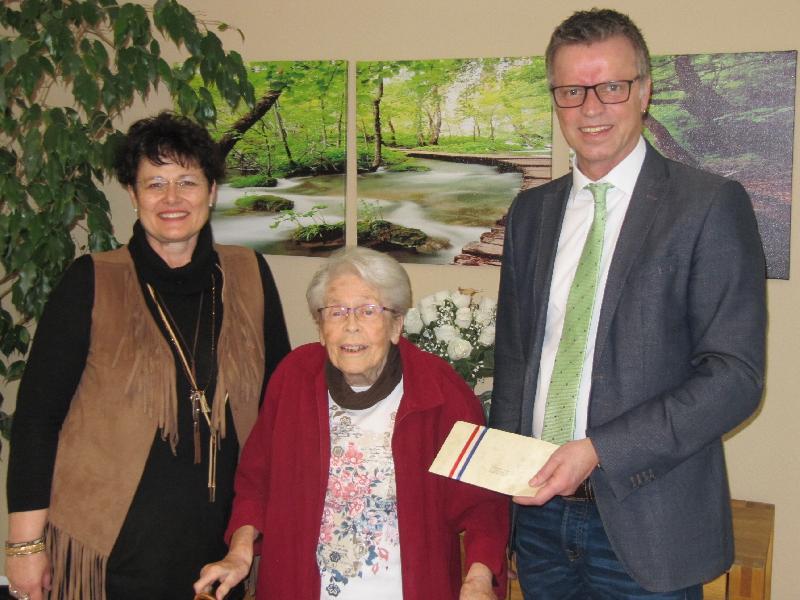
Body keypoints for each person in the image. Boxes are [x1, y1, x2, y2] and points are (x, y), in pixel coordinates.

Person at [490, 8, 767, 599]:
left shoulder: (708, 205)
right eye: (572, 91)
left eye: (611, 86)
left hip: (650, 523)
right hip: (538, 520)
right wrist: (500, 504)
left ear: (643, 91)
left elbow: (735, 378)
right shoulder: (531, 216)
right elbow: (515, 362)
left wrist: (597, 451)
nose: (591, 108)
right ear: (556, 99)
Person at [5, 112, 291, 600]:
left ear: (212, 191)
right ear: (134, 196)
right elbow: (36, 419)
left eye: (187, 181)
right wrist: (25, 546)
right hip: (112, 549)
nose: (172, 198)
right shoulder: (91, 280)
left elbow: (281, 402)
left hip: (225, 545)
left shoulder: (249, 274)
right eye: (154, 183)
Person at [194, 247, 509, 600]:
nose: (351, 324)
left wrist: (478, 580)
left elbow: (484, 502)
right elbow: (256, 480)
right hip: (298, 587)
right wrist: (239, 554)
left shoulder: (440, 387)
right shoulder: (293, 377)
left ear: (396, 324)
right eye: (336, 311)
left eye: (368, 310)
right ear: (321, 325)